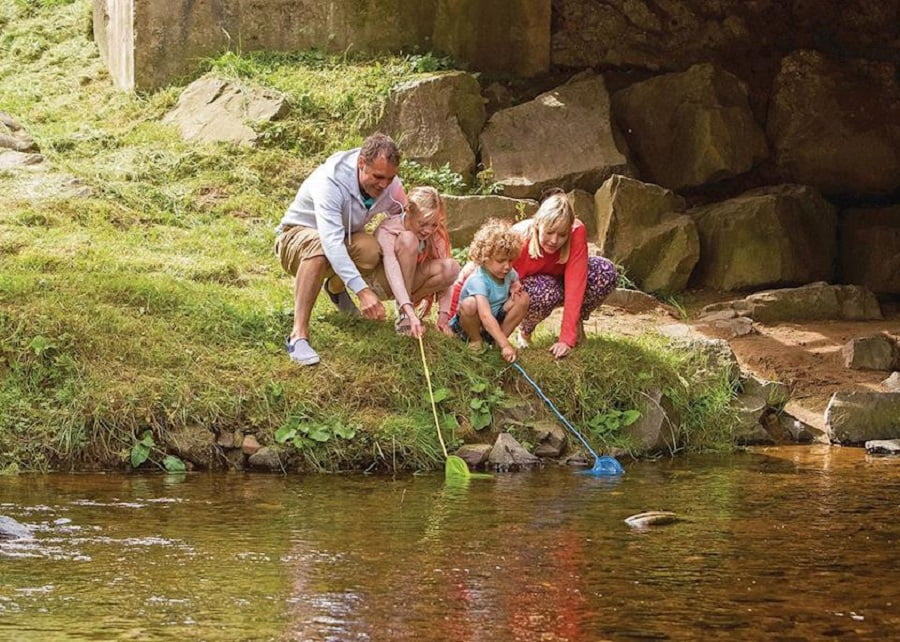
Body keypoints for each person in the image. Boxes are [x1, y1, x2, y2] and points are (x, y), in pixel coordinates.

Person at [274, 133, 409, 366]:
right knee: (319, 245)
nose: (384, 185)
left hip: (341, 239)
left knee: (370, 251)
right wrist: (363, 291)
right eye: (378, 177)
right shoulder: (331, 181)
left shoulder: (389, 184)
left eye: (390, 178)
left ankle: (335, 288)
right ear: (361, 164)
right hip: (295, 237)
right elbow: (331, 241)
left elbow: (405, 215)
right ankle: (298, 336)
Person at [511, 190, 618, 359]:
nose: (554, 241)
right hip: (535, 289)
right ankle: (525, 331)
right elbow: (489, 277)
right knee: (545, 291)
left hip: (563, 281)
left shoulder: (577, 230)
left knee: (605, 271)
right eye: (549, 233)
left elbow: (576, 281)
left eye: (562, 235)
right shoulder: (519, 238)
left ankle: (575, 324)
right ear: (538, 225)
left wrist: (566, 339)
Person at [374, 186, 459, 338]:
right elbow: (391, 267)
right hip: (383, 282)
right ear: (408, 211)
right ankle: (405, 313)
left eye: (433, 224)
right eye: (423, 223)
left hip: (408, 283)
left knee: (451, 267)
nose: (428, 230)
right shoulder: (388, 229)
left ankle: (408, 307)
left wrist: (444, 316)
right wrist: (407, 311)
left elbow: (448, 278)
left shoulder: (435, 233)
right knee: (409, 239)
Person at [448, 219, 529, 363]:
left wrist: (516, 285)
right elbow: (485, 316)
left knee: (523, 299)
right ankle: (476, 341)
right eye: (501, 261)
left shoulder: (508, 272)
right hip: (472, 323)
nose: (507, 266)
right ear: (484, 258)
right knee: (469, 304)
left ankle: (498, 343)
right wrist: (507, 344)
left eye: (510, 261)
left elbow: (515, 278)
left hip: (495, 317)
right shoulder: (478, 280)